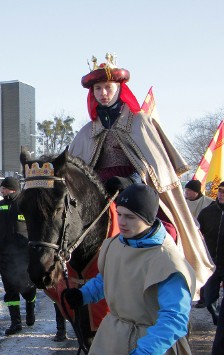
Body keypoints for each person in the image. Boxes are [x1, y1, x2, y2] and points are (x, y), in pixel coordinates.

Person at [62, 184, 210, 355]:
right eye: (119, 214)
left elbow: (174, 321)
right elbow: (107, 277)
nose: (122, 222)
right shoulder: (114, 245)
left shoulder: (168, 262)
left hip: (154, 353)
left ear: (148, 218)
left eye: (130, 217)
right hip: (114, 339)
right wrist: (84, 295)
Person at [69, 53, 213, 285]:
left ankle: (169, 278)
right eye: (98, 88)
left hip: (140, 190)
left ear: (119, 88)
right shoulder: (86, 131)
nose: (103, 93)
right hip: (99, 192)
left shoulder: (139, 121)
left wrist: (134, 179)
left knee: (167, 231)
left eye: (107, 87)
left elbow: (157, 165)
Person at [0, 177, 38, 336]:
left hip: (24, 254)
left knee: (27, 286)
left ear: (12, 189)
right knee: (10, 288)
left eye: (4, 188)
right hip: (5, 255)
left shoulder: (25, 205)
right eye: (1, 188)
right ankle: (16, 323)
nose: (1, 191)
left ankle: (30, 309)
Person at [197, 181, 224, 325]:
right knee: (208, 299)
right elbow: (197, 236)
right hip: (212, 264)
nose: (221, 194)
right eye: (220, 190)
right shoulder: (207, 212)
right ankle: (218, 321)